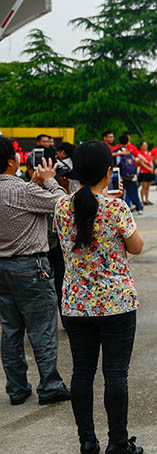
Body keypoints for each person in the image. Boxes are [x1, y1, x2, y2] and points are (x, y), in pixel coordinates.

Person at [54, 141, 145, 454]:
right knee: (115, 374)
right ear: (109, 172)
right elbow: (136, 247)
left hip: (77, 305)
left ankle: (87, 441)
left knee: (81, 372)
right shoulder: (116, 209)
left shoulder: (62, 208)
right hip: (117, 303)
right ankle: (118, 443)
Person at [0, 136, 70, 406]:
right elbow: (64, 206)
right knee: (42, 328)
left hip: (3, 267)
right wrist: (50, 180)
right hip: (31, 266)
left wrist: (35, 183)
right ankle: (50, 385)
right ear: (10, 162)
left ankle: (17, 388)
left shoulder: (24, 189)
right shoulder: (24, 191)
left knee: (10, 329)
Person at [115, 134, 143, 216]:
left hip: (121, 176)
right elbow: (136, 160)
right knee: (133, 192)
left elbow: (115, 162)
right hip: (130, 175)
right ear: (128, 142)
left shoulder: (117, 150)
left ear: (119, 141)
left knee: (121, 193)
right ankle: (139, 207)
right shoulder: (130, 151)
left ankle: (124, 208)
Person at [136, 142, 154, 207]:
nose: (145, 147)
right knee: (144, 186)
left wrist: (152, 168)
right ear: (140, 146)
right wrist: (149, 169)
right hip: (143, 171)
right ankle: (142, 200)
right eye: (144, 145)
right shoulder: (139, 153)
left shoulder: (148, 153)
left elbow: (150, 161)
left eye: (146, 145)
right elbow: (141, 163)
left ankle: (147, 199)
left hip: (149, 172)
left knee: (148, 186)